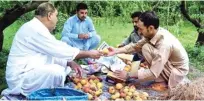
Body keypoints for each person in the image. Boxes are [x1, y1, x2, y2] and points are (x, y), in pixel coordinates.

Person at [1, 3, 102, 98]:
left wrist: (70, 62)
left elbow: (53, 50)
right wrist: (89, 53)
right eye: (56, 16)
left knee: (62, 64)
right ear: (49, 16)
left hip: (30, 68)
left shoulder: (37, 27)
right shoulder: (35, 29)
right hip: (20, 78)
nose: (57, 20)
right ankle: (45, 92)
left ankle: (59, 81)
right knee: (56, 72)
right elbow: (59, 49)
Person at [107, 11, 189, 89]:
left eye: (141, 29)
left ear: (150, 28)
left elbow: (153, 72)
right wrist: (116, 50)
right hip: (168, 63)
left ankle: (164, 81)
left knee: (151, 58)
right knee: (145, 47)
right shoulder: (153, 33)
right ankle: (161, 79)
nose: (139, 32)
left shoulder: (164, 44)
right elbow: (135, 46)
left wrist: (128, 74)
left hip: (177, 70)